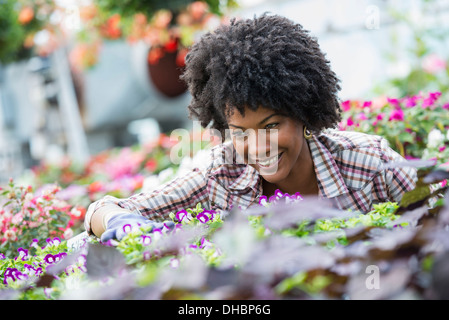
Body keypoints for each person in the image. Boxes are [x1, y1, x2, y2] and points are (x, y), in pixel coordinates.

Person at [84, 13, 417, 241]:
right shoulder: (222, 176)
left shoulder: (369, 163)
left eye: (271, 126)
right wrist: (121, 223)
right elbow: (104, 211)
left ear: (303, 113)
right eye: (240, 132)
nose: (257, 148)